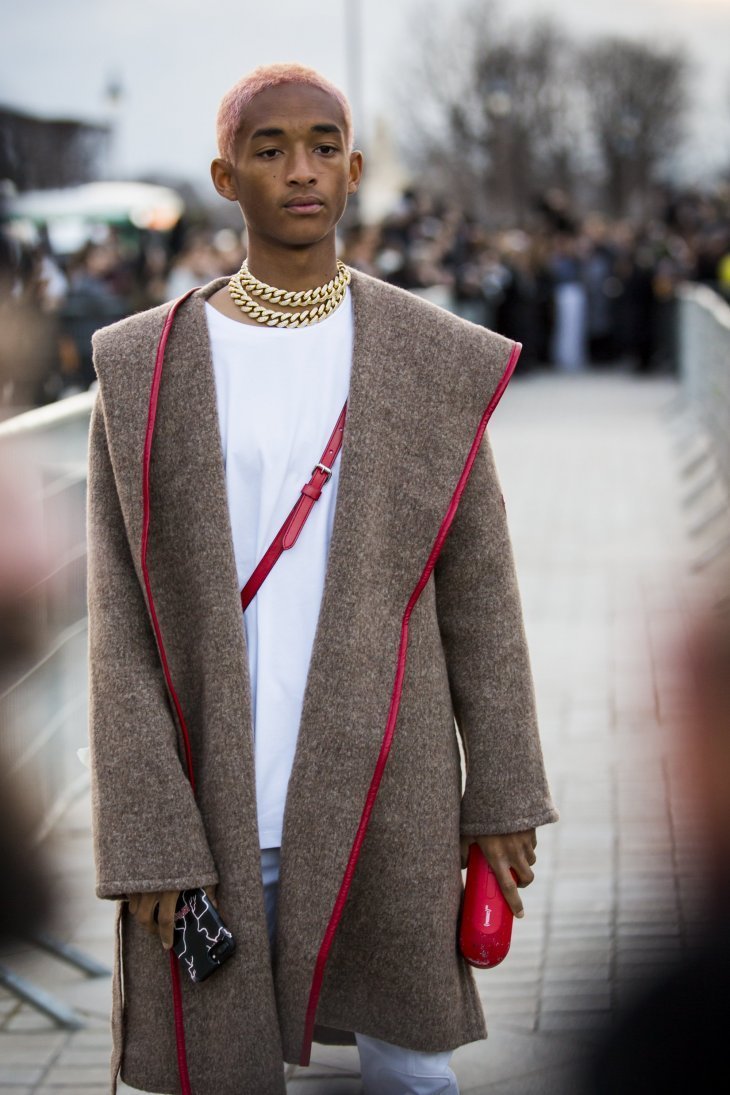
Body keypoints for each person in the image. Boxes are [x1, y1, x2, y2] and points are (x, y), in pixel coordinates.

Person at [85, 62, 559, 1095]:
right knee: (216, 1075)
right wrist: (149, 835)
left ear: (353, 169)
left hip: (391, 778)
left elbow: (480, 591)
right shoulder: (144, 366)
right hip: (216, 793)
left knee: (410, 1073)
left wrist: (503, 792)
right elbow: (119, 622)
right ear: (225, 176)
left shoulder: (429, 356)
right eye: (269, 149)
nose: (302, 169)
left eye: (324, 144)